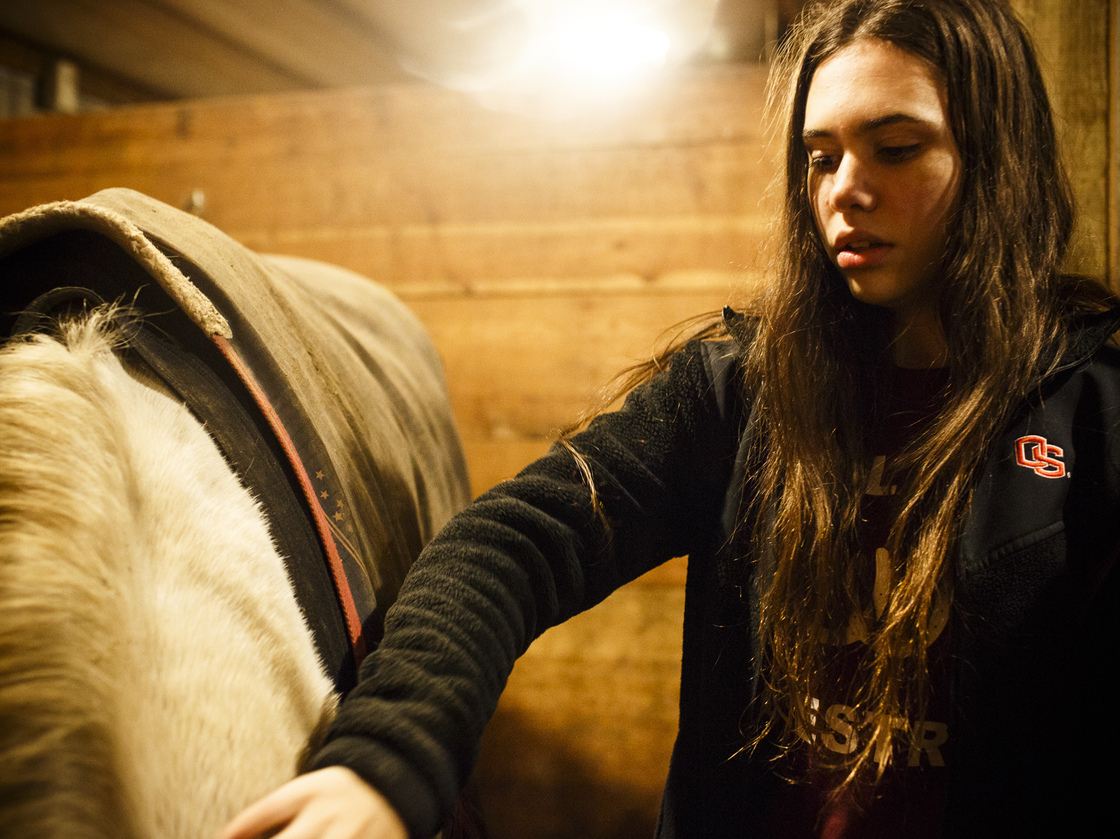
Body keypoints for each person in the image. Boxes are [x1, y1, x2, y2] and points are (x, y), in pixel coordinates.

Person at [218, 0, 1120, 836]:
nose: (844, 188)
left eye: (895, 147)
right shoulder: (745, 389)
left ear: (993, 160)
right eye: (821, 156)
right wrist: (385, 764)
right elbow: (516, 540)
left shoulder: (1093, 407)